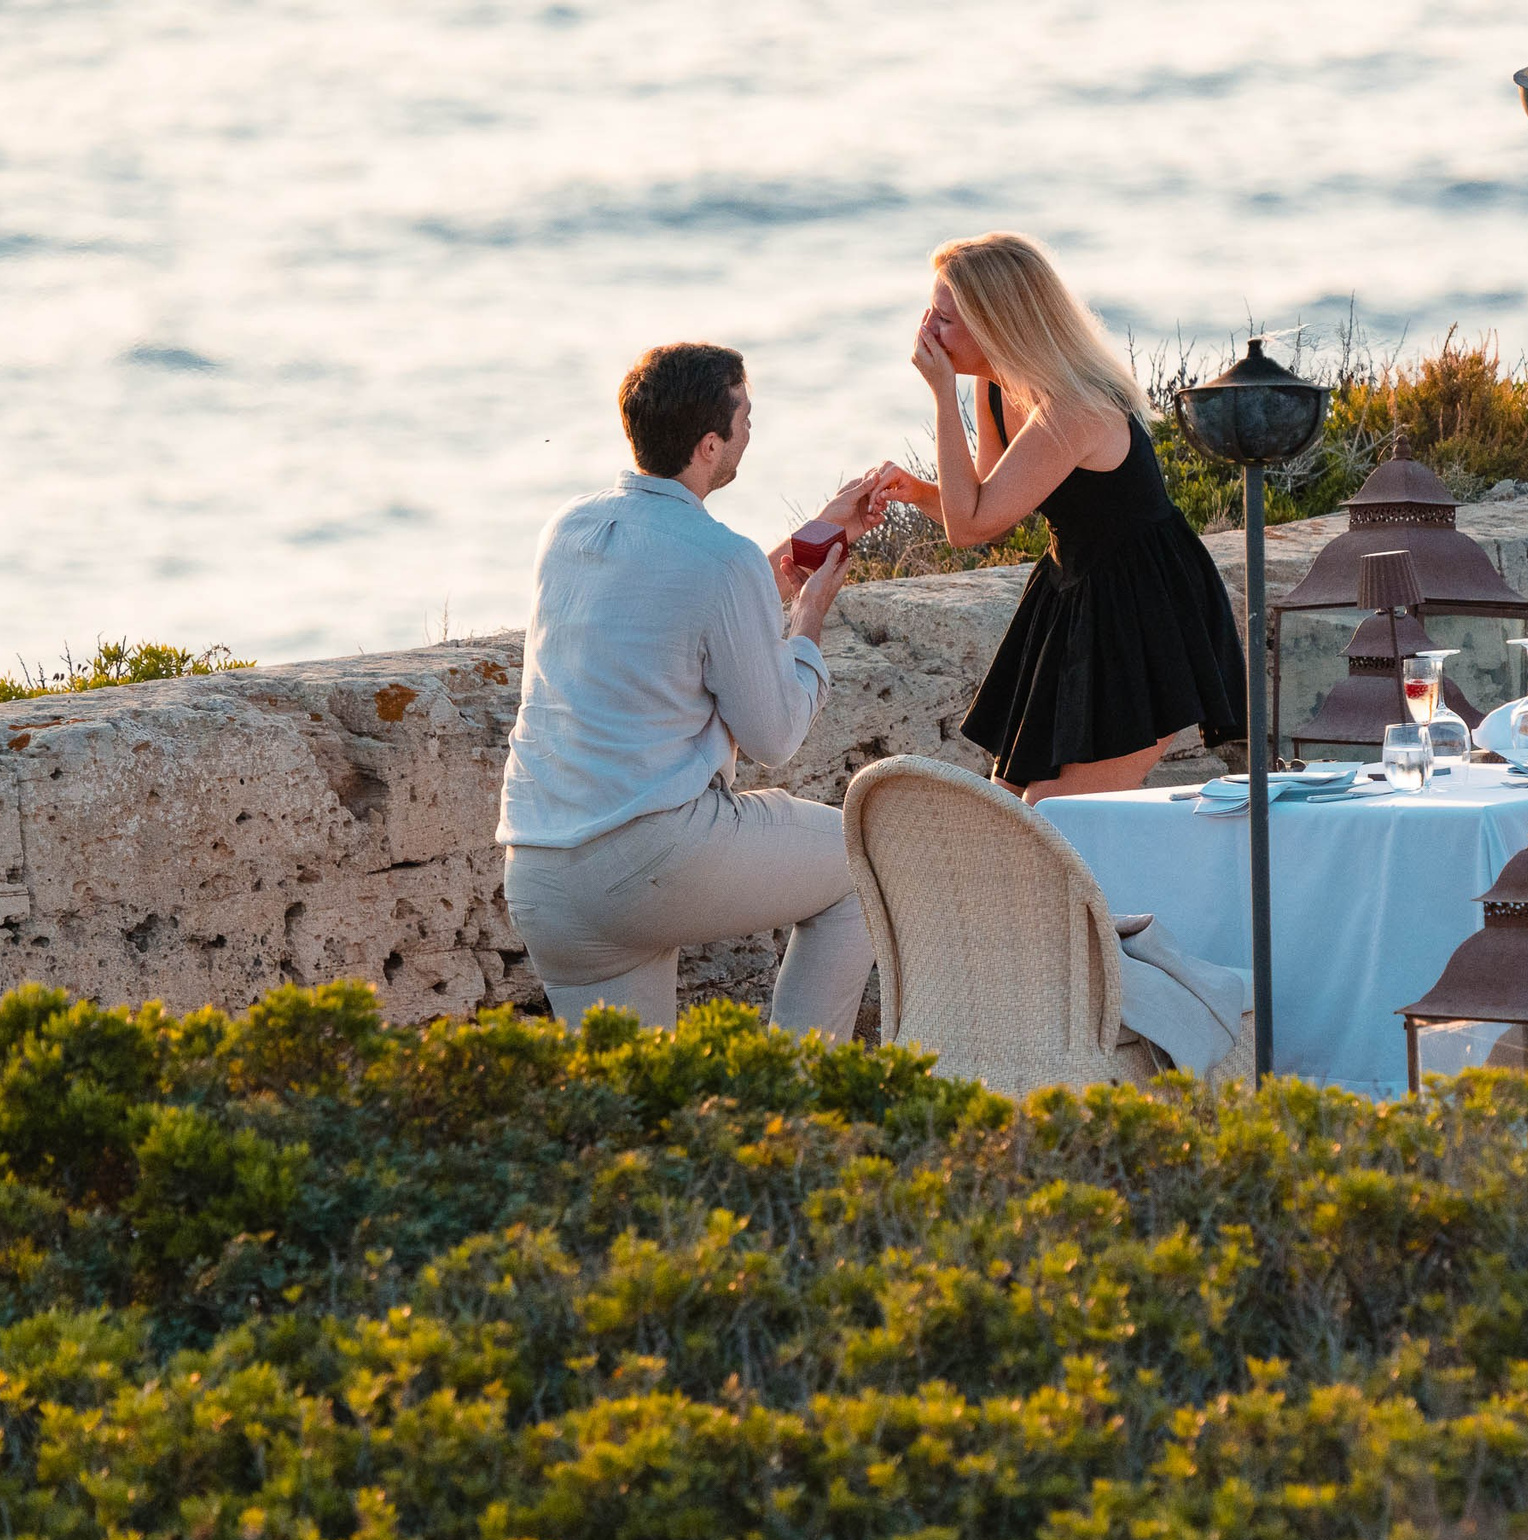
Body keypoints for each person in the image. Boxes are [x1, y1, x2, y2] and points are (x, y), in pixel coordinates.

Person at [498, 341, 888, 1039]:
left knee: (638, 1110)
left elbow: (680, 603)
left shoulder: (567, 529)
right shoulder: (722, 558)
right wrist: (807, 626)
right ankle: (800, 1106)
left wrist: (810, 538)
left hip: (544, 878)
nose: (750, 433)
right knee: (866, 867)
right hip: (648, 860)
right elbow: (773, 737)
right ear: (710, 445)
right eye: (744, 419)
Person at [877, 232, 1249, 803]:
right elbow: (987, 513)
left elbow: (968, 527)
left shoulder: (1072, 406)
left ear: (996, 324)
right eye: (931, 311)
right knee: (1009, 808)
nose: (928, 329)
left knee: (1054, 817)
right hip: (1076, 595)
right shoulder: (998, 387)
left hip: (1144, 608)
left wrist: (941, 396)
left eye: (944, 319)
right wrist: (919, 491)